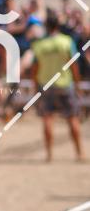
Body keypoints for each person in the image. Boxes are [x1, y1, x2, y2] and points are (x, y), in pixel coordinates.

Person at [31, 12, 85, 161]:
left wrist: (35, 87)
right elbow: (74, 65)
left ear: (46, 26)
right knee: (72, 118)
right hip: (65, 84)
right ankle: (79, 152)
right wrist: (77, 84)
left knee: (48, 119)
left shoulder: (39, 44)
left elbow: (35, 69)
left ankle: (49, 154)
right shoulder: (66, 41)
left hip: (46, 85)